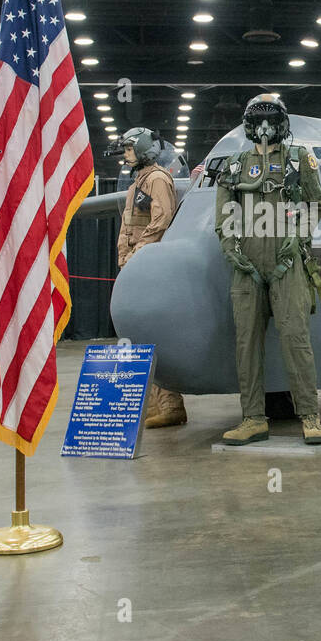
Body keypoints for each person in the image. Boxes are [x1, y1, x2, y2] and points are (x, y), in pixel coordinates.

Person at [214, 94, 321, 445]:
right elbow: (224, 215)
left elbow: (316, 205)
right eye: (258, 118)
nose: (265, 126)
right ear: (248, 124)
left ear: (281, 123)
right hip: (246, 267)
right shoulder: (234, 166)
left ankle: (310, 415)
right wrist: (230, 248)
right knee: (247, 343)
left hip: (287, 262)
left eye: (271, 118)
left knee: (296, 339)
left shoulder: (299, 161)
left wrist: (299, 236)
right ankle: (253, 419)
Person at [115, 127, 186, 428]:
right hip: (133, 264)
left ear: (145, 148)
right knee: (137, 336)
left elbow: (161, 220)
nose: (126, 153)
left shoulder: (157, 179)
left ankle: (171, 404)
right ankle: (158, 403)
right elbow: (128, 225)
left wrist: (139, 253)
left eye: (130, 148)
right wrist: (124, 255)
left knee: (152, 336)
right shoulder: (136, 185)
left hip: (147, 266)